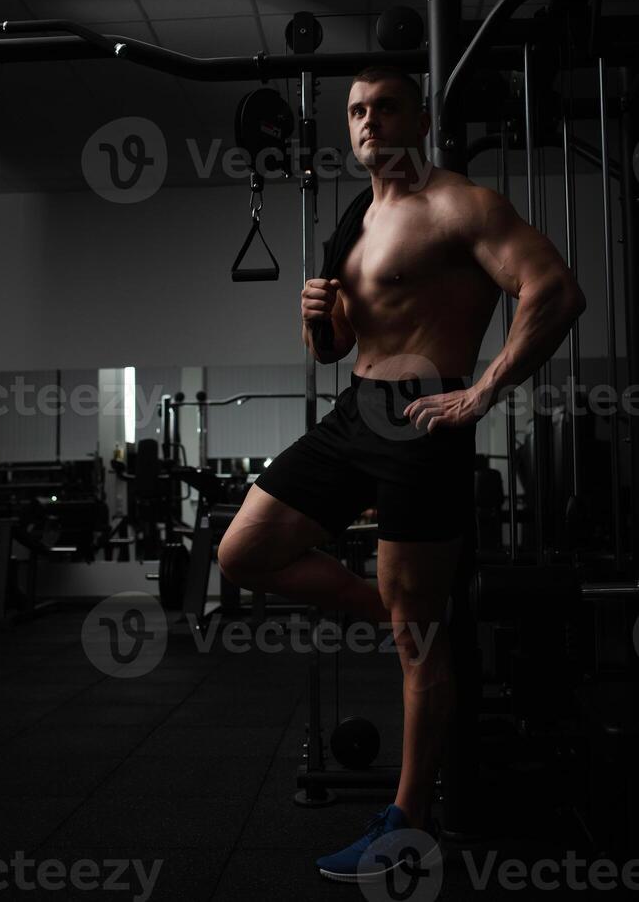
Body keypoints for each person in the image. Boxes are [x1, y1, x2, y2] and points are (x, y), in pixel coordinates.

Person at [217, 65, 586, 882]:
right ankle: (407, 627)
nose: (369, 121)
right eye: (356, 111)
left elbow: (554, 290)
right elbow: (337, 346)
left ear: (420, 118)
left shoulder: (461, 205)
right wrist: (316, 324)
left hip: (427, 414)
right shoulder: (355, 218)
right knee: (243, 554)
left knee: (421, 638)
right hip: (355, 411)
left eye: (385, 107)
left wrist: (483, 392)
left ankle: (405, 824)